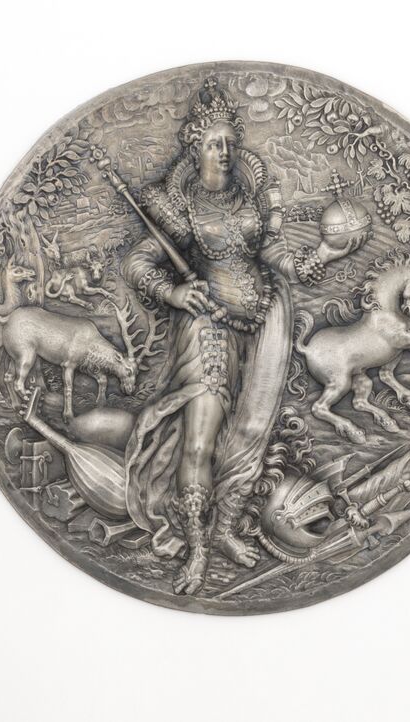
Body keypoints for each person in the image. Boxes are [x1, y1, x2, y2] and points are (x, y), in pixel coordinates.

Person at [121, 77, 360, 594]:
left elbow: (272, 255)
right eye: (214, 143)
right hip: (207, 330)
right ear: (196, 148)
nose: (225, 151)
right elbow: (138, 263)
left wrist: (319, 256)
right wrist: (174, 293)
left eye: (230, 141)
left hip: (263, 324)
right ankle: (196, 552)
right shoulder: (179, 207)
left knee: (251, 434)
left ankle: (225, 528)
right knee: (200, 440)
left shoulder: (250, 200)